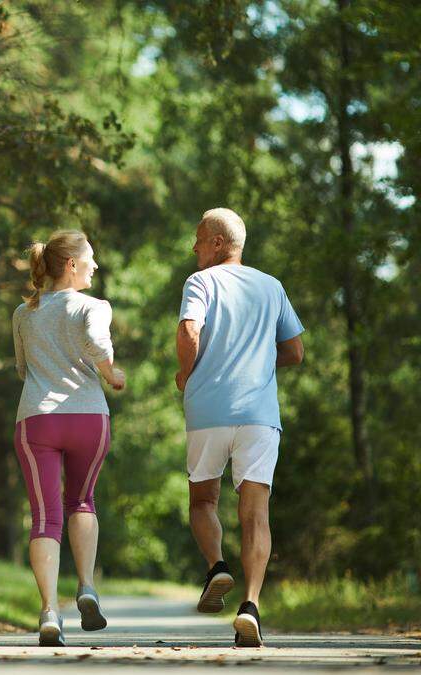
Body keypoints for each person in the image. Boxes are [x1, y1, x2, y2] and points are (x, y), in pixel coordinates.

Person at [176, 208, 304, 648]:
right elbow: (295, 351)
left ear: (216, 242)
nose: (193, 248)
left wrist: (185, 372)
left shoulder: (200, 282)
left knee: (202, 500)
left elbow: (190, 330)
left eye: (198, 239)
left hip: (208, 410)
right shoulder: (272, 286)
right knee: (256, 513)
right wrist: (261, 363)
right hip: (259, 415)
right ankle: (250, 606)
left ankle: (217, 566)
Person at [12, 229, 125, 647]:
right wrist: (111, 373)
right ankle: (87, 586)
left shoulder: (24, 313)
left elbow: (22, 369)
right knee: (82, 500)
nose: (95, 265)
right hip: (88, 419)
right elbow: (98, 344)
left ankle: (48, 613)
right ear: (72, 265)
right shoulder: (93, 306)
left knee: (44, 517)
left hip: (37, 420)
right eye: (90, 258)